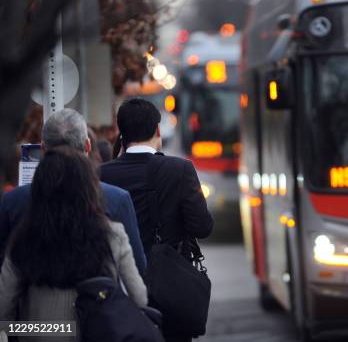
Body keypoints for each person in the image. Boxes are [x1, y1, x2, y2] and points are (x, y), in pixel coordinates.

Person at [0, 147, 148, 342]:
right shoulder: (111, 234)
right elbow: (140, 298)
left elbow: (3, 308)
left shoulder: (23, 237)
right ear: (89, 188)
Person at [100, 98, 214, 342]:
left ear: (122, 133)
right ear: (157, 130)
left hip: (119, 288)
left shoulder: (102, 174)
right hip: (171, 289)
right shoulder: (180, 169)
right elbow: (202, 227)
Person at [0, 109, 147, 275]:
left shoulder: (13, 201)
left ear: (43, 148)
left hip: (31, 298)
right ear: (87, 146)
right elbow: (137, 267)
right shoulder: (117, 199)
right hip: (98, 298)